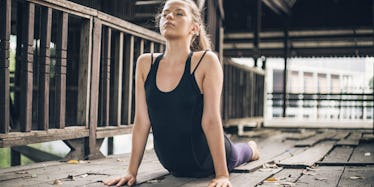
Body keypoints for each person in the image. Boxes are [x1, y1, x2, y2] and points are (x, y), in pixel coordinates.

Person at [104, 0, 259, 186]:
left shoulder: (206, 60)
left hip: (207, 159)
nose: (169, 16)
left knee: (240, 153)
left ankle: (251, 148)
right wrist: (131, 171)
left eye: (179, 13)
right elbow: (142, 121)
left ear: (194, 28)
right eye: (165, 13)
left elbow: (210, 119)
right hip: (172, 164)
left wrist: (222, 175)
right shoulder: (145, 63)